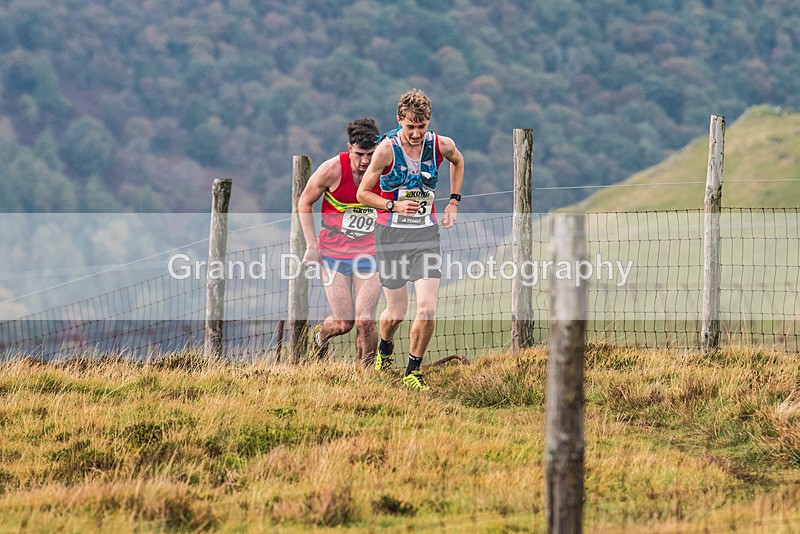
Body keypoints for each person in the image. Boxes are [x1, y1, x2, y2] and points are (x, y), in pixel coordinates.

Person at [356, 89, 464, 390]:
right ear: (399, 120)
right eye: (410, 126)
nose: (416, 133)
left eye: (422, 126)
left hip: (426, 235)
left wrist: (453, 202)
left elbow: (458, 161)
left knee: (427, 308)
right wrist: (393, 205)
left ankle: (413, 371)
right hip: (390, 235)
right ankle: (385, 348)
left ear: (429, 122)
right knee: (396, 313)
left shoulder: (441, 145)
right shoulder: (386, 150)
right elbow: (362, 194)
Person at [298, 118, 383, 367]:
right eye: (359, 154)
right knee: (344, 322)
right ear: (349, 148)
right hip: (334, 254)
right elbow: (304, 202)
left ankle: (365, 379)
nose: (365, 161)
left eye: (371, 154)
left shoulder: (387, 171)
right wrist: (311, 245)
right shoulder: (332, 169)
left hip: (371, 253)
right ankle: (321, 336)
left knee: (365, 320)